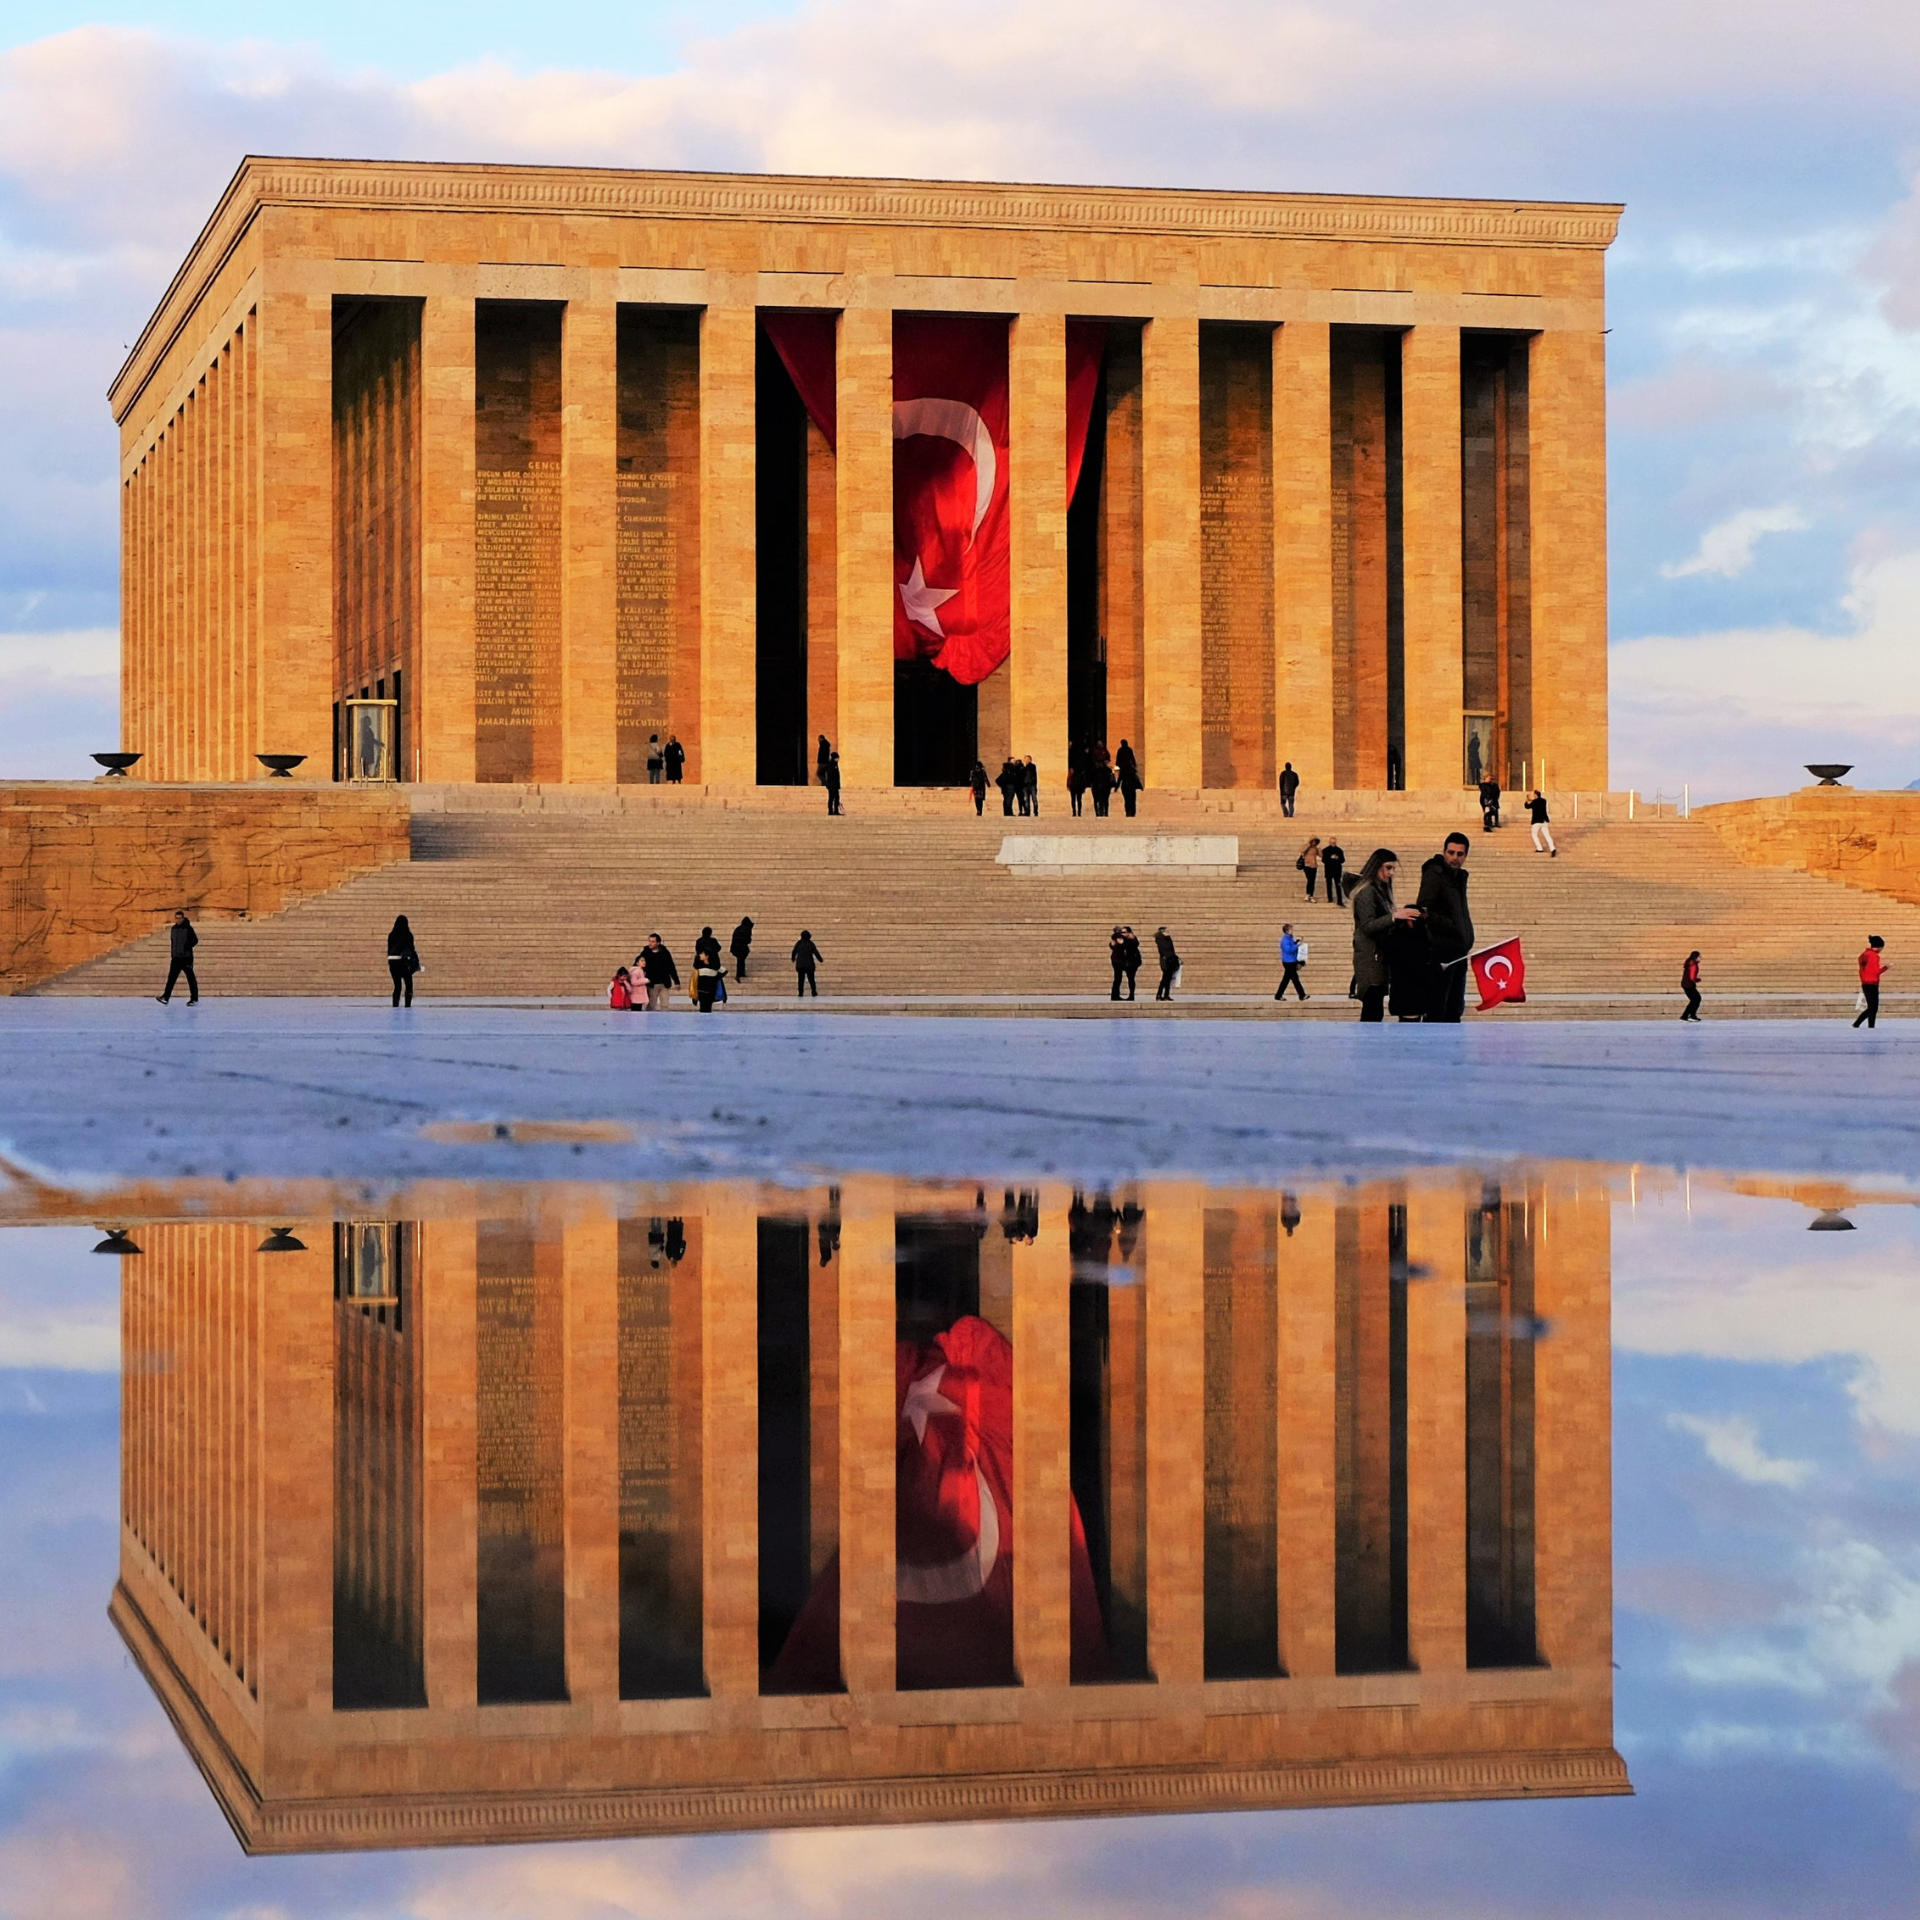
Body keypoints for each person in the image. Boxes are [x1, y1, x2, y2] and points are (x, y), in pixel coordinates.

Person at [1349, 848, 1423, 1024]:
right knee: (1372, 1010)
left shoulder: (1380, 891)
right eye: (1388, 868)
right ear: (1377, 867)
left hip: (1378, 959)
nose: (1391, 873)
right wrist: (1393, 917)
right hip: (1370, 959)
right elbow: (1367, 926)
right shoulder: (1367, 892)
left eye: (1393, 869)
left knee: (1374, 1010)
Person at [1415, 832, 1475, 1023]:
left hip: (1458, 952)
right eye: (1451, 853)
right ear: (1444, 852)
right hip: (1440, 953)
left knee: (1454, 1007)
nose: (1454, 858)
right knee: (1438, 1007)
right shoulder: (1435, 874)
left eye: (1459, 854)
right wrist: (1452, 927)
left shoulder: (1458, 877)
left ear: (1465, 856)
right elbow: (1424, 909)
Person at [156, 909, 199, 1004]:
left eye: (180, 918)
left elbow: (195, 940)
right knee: (171, 978)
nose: (178, 920)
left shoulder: (188, 928)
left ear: (183, 918)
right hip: (176, 958)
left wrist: (185, 947)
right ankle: (165, 997)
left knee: (190, 978)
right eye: (177, 918)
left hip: (186, 958)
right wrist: (173, 953)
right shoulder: (174, 929)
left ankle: (194, 999)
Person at [636, 933, 679, 1011]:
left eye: (653, 941)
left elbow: (671, 967)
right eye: (649, 941)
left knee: (665, 1006)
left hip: (664, 983)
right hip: (652, 984)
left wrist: (677, 982)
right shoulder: (646, 952)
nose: (650, 943)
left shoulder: (665, 952)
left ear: (658, 942)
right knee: (651, 1006)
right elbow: (638, 963)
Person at [386, 913, 420, 1007]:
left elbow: (389, 950)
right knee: (408, 985)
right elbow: (411, 949)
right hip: (404, 963)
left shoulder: (391, 935)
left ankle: (395, 1005)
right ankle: (407, 1005)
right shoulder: (408, 935)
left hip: (393, 964)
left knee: (397, 986)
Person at [1855, 935, 1887, 1029]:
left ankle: (1860, 1024)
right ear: (1879, 946)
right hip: (1872, 983)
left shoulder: (1864, 955)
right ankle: (1866, 1025)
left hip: (1865, 983)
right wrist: (1886, 967)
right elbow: (1876, 971)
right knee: (1873, 1007)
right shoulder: (1874, 956)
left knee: (1871, 1007)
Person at [692, 926, 724, 1012]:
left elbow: (697, 951)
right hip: (712, 970)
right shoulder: (713, 941)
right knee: (709, 1003)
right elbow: (719, 948)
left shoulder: (699, 941)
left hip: (701, 971)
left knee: (702, 1003)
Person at [1275, 923, 1308, 1002]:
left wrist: (1296, 943)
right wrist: (1296, 945)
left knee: (1286, 980)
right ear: (1287, 931)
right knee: (1295, 979)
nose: (1292, 931)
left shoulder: (1290, 938)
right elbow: (1288, 950)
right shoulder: (1285, 940)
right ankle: (1302, 995)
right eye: (1291, 929)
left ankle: (1278, 995)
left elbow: (1292, 946)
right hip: (1288, 962)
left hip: (1292, 960)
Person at [792, 928, 823, 997]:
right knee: (811, 979)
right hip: (809, 965)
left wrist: (793, 958)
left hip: (800, 965)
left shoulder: (799, 943)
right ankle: (813, 991)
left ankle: (800, 992)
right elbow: (816, 952)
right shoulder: (810, 943)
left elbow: (794, 952)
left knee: (801, 980)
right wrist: (820, 959)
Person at [1527, 788, 1556, 856]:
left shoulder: (1534, 802)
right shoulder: (1544, 801)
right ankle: (1552, 848)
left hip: (1537, 821)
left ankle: (1539, 848)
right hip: (1544, 821)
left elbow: (1527, 806)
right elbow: (1538, 803)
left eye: (1534, 794)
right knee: (1547, 835)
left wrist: (1526, 801)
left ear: (1536, 795)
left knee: (1534, 834)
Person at [1117, 741, 1142, 818]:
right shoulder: (1131, 770)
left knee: (1127, 800)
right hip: (1130, 786)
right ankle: (1132, 812)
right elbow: (1135, 777)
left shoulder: (1121, 750)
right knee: (1132, 799)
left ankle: (1128, 811)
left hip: (1126, 785)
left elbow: (1120, 777)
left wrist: (1116, 786)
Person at [1154, 925, 1179, 1001]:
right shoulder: (1162, 940)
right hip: (1167, 961)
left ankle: (1165, 994)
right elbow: (1167, 949)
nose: (1168, 933)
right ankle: (1159, 994)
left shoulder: (1165, 939)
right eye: (1166, 931)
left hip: (1170, 960)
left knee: (1168, 978)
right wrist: (1168, 938)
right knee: (1165, 978)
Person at [1322, 837, 1347, 907]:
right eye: (1332, 842)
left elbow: (1343, 860)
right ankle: (1330, 898)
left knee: (1338, 885)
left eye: (1334, 843)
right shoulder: (1325, 850)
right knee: (1329, 885)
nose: (1333, 844)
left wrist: (1337, 858)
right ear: (1329, 842)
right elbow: (1323, 860)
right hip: (1329, 870)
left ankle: (1339, 900)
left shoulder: (1339, 850)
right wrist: (1330, 858)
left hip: (1337, 870)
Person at [1121, 926, 1143, 1002]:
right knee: (1130, 978)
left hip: (1132, 962)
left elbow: (1133, 946)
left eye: (1124, 932)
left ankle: (1131, 995)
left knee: (1131, 978)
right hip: (1127, 961)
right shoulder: (1124, 940)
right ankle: (1131, 995)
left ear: (1129, 933)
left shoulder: (1133, 940)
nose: (1122, 934)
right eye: (1122, 932)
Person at [730, 915, 754, 982]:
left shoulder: (738, 929)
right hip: (742, 947)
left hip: (735, 947)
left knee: (740, 960)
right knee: (741, 960)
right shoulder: (747, 929)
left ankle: (740, 973)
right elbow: (748, 940)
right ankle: (740, 974)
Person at [1296, 836, 1321, 901]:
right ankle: (1308, 894)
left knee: (1312, 881)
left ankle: (1311, 895)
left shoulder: (1316, 848)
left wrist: (1319, 849)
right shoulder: (1307, 846)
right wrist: (1308, 845)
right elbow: (1301, 851)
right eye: (1313, 841)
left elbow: (1321, 855)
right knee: (1310, 879)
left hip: (1314, 866)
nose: (1314, 843)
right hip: (1307, 865)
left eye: (1315, 841)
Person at [1680, 950, 1703, 1021]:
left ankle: (1687, 1015)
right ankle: (1689, 1015)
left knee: (1695, 999)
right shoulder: (1693, 964)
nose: (1700, 958)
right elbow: (1692, 976)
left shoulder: (1690, 962)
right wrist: (1696, 980)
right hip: (1689, 984)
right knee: (1696, 999)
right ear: (1696, 957)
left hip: (1686, 983)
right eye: (1699, 956)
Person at [1108, 925, 1127, 1002]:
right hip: (1118, 960)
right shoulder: (1119, 938)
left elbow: (1112, 946)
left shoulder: (1114, 939)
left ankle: (1115, 995)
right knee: (1118, 978)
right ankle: (1115, 995)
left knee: (1117, 978)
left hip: (1115, 959)